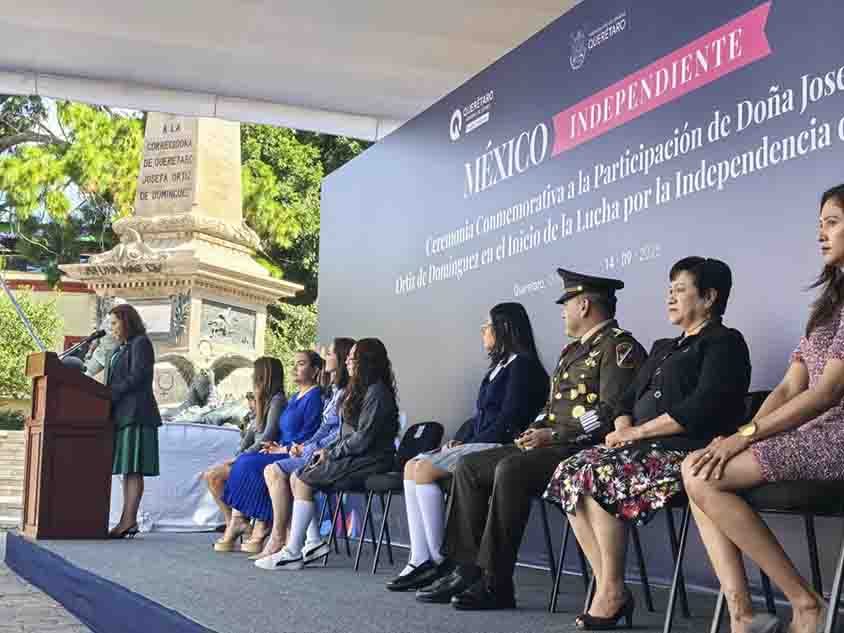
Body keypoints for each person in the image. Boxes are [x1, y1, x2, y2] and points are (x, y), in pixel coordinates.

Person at [418, 269, 646, 610]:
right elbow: (552, 407)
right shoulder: (571, 351)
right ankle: (466, 570)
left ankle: (497, 583)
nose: (562, 310)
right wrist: (536, 428)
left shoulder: (619, 347)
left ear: (584, 305)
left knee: (510, 469)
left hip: (581, 449)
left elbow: (608, 411)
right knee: (469, 466)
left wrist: (554, 434)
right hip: (549, 444)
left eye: (566, 303)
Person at [544, 257, 750, 630]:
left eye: (680, 290)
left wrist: (636, 434)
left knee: (601, 474)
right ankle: (611, 585)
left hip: (690, 449)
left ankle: (609, 592)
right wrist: (622, 428)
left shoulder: (724, 342)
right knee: (569, 471)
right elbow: (625, 401)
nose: (670, 298)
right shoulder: (662, 346)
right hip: (640, 449)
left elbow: (701, 407)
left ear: (709, 297)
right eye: (669, 290)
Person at [682, 186, 844, 633]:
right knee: (699, 466)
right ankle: (743, 614)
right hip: (811, 432)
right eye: (819, 225)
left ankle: (804, 603)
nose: (821, 234)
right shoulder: (828, 305)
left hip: (838, 435)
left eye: (832, 222)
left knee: (702, 474)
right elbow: (793, 384)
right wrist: (742, 431)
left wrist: (748, 436)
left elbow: (827, 392)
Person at [386, 303, 548, 592]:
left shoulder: (523, 366)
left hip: (501, 445)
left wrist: (471, 444)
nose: (483, 331)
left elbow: (508, 419)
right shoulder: (500, 366)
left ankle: (441, 559)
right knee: (411, 467)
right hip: (482, 440)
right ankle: (419, 558)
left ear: (505, 328)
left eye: (487, 326)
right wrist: (462, 438)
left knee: (423, 471)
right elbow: (482, 415)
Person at [256, 338, 399, 570]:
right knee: (298, 476)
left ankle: (292, 552)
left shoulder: (377, 393)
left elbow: (363, 439)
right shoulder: (361, 391)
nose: (349, 361)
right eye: (349, 357)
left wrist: (331, 453)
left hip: (371, 461)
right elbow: (345, 435)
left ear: (368, 362)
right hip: (356, 456)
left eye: (354, 357)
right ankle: (310, 544)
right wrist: (326, 450)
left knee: (301, 478)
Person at [255, 338, 355, 561]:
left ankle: (282, 537)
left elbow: (340, 433)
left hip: (335, 456)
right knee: (287, 473)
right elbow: (323, 429)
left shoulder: (345, 393)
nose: (326, 355)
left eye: (330, 353)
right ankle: (311, 540)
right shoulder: (336, 390)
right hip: (313, 450)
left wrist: (307, 448)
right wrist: (305, 447)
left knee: (277, 471)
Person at [214, 351, 323, 553]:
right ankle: (243, 522)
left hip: (295, 453)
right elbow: (278, 431)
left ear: (315, 370)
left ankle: (263, 526)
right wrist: (273, 446)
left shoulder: (315, 397)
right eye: (294, 363)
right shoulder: (295, 397)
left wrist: (282, 448)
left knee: (247, 463)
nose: (295, 368)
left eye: (301, 364)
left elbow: (310, 435)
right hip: (281, 448)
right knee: (244, 460)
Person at [202, 358, 286, 530]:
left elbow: (267, 435)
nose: (252, 377)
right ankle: (233, 522)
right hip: (250, 454)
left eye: (256, 373)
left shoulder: (277, 401)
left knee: (214, 476)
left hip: (262, 455)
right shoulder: (262, 401)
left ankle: (238, 523)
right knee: (210, 475)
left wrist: (240, 457)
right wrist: (238, 454)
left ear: (264, 375)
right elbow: (249, 435)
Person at [107, 303, 162, 539]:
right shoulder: (122, 347)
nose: (112, 328)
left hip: (137, 413)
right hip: (123, 414)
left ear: (127, 321)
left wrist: (110, 392)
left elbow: (139, 376)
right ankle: (127, 520)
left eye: (114, 322)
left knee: (133, 469)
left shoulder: (141, 343)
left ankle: (128, 520)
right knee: (128, 470)